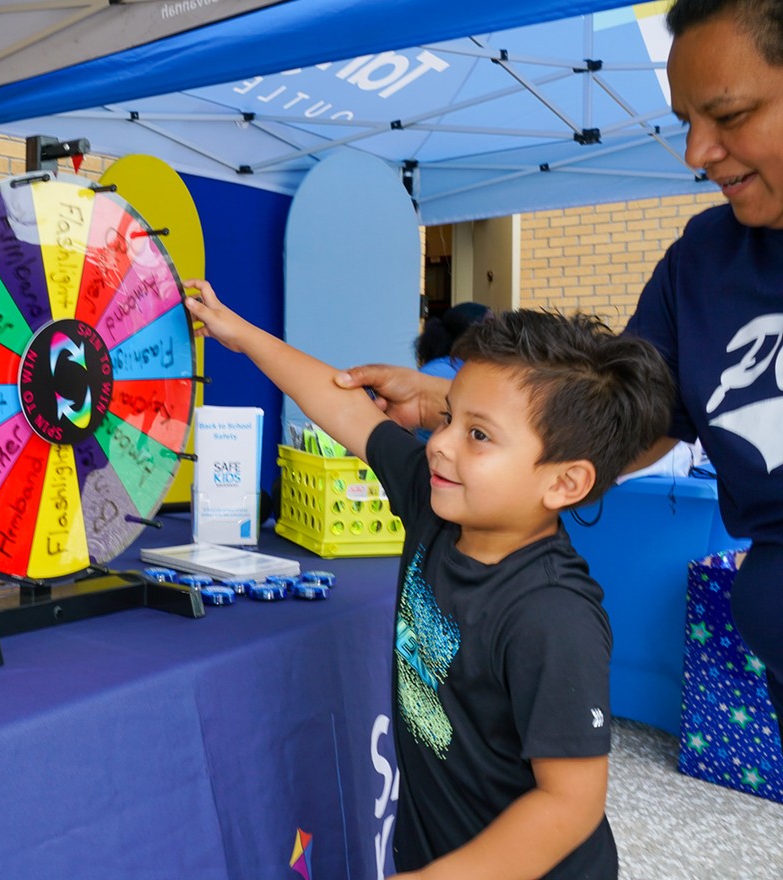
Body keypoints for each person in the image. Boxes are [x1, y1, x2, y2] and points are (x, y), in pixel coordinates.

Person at [338, 0, 783, 736]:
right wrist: (462, 411)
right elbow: (613, 421)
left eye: (729, 115)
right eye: (686, 121)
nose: (696, 152)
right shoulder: (704, 261)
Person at [184, 279, 674, 878]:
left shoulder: (554, 616)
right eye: (448, 417)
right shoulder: (435, 504)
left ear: (564, 483)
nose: (438, 443)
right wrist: (244, 335)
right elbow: (344, 407)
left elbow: (570, 804)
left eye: (478, 435)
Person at [415, 301, 493, 379]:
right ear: (469, 334)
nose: (498, 330)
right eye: (489, 324)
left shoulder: (477, 368)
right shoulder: (439, 372)